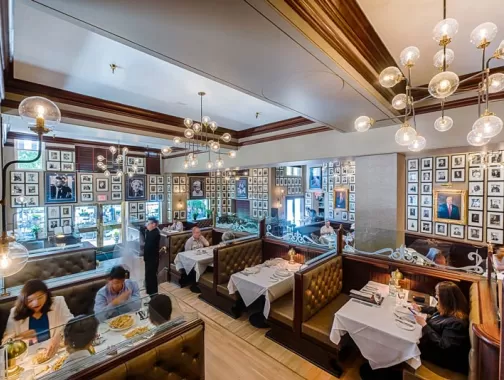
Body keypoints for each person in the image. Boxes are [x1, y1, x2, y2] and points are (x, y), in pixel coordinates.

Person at [3, 280, 73, 358]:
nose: (36, 303)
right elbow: (5, 343)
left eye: (40, 297)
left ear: (46, 295)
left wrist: (59, 336)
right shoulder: (15, 312)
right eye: (30, 300)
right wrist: (18, 337)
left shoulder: (58, 302)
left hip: (57, 353)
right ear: (23, 301)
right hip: (30, 359)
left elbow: (71, 323)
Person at [412, 281, 470, 375]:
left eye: (438, 295)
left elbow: (443, 346)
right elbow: (436, 310)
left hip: (440, 358)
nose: (436, 297)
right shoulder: (451, 309)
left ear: (446, 299)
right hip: (429, 344)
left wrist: (424, 325)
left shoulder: (457, 324)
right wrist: (421, 309)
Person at [144, 217, 161, 295]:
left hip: (153, 259)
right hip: (148, 258)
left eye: (148, 223)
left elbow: (149, 246)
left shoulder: (155, 233)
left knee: (152, 277)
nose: (147, 225)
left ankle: (154, 295)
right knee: (148, 276)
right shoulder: (150, 232)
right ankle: (149, 293)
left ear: (154, 224)